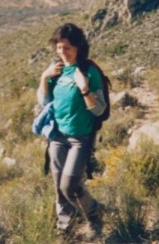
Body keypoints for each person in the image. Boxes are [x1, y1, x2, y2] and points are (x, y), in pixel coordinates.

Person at [37, 23, 107, 235]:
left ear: (78, 47)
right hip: (57, 136)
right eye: (59, 47)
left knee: (70, 186)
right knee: (59, 187)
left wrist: (84, 88)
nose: (62, 52)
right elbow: (44, 101)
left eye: (67, 47)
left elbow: (99, 110)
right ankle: (65, 227)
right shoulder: (56, 70)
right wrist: (44, 77)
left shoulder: (89, 71)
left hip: (80, 138)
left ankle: (94, 215)